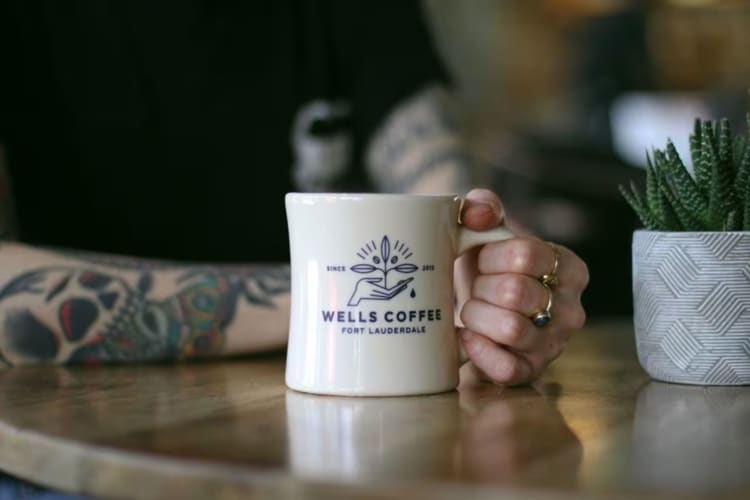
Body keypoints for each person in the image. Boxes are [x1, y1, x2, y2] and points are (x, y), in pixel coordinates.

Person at [0, 1, 588, 386]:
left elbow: (447, 196)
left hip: (337, 425)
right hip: (68, 435)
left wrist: (496, 291)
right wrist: (379, 307)